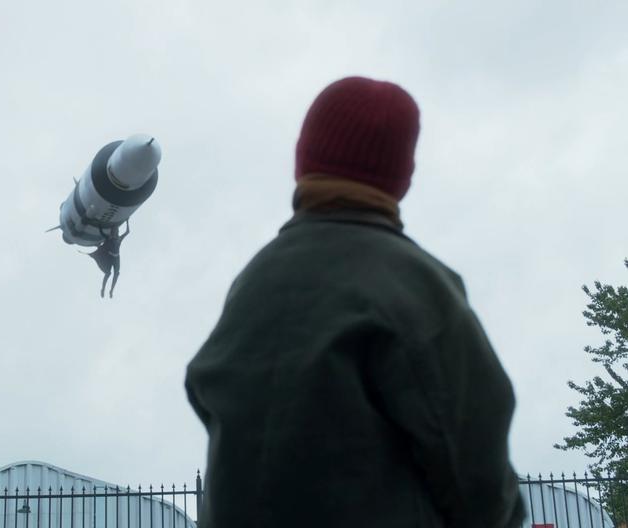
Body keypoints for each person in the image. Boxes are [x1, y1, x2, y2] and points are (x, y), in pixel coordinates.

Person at [184, 77, 525, 527]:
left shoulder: (253, 281)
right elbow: (476, 471)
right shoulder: (415, 285)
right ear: (401, 176)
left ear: (303, 159)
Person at [87, 221, 129, 298]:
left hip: (116, 258)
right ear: (113, 232)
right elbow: (102, 232)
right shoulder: (109, 238)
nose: (116, 232)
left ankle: (111, 291)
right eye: (115, 231)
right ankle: (103, 289)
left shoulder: (119, 238)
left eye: (117, 231)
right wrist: (100, 225)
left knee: (116, 274)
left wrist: (127, 221)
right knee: (108, 273)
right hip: (110, 257)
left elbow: (127, 232)